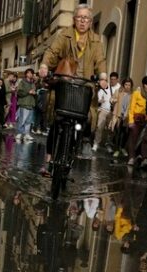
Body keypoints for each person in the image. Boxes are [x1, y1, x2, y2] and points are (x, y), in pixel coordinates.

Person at [38, 3, 107, 174]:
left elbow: (100, 61)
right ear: (74, 19)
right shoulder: (65, 35)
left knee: (86, 118)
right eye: (80, 17)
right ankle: (48, 159)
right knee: (57, 119)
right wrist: (45, 65)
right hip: (65, 83)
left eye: (86, 18)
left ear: (90, 22)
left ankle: (80, 143)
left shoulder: (96, 40)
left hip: (85, 85)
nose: (83, 21)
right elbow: (52, 52)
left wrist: (103, 77)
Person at [126, 73, 147, 165]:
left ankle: (144, 158)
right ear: (143, 84)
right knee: (133, 137)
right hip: (137, 118)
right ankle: (131, 157)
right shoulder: (137, 93)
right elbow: (131, 107)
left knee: (146, 139)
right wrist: (130, 121)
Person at [110, 77, 133, 159]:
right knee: (118, 133)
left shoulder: (132, 95)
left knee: (125, 134)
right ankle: (116, 150)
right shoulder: (118, 92)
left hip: (126, 117)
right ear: (123, 85)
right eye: (126, 84)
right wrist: (113, 100)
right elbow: (112, 99)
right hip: (118, 116)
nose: (127, 86)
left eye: (129, 85)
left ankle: (122, 148)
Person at [16, 68, 37, 141]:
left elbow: (34, 91)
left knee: (29, 120)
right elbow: (19, 92)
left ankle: (26, 134)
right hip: (24, 103)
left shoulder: (33, 83)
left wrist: (34, 93)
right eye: (28, 73)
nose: (30, 74)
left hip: (31, 103)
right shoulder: (22, 82)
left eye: (31, 73)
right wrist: (28, 92)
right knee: (22, 119)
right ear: (26, 74)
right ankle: (19, 133)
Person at [93, 75, 112, 151]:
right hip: (103, 110)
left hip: (112, 111)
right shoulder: (100, 90)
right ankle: (96, 143)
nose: (103, 81)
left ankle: (108, 144)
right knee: (99, 127)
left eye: (104, 79)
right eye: (101, 79)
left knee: (110, 128)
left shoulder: (114, 88)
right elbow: (98, 99)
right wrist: (100, 101)